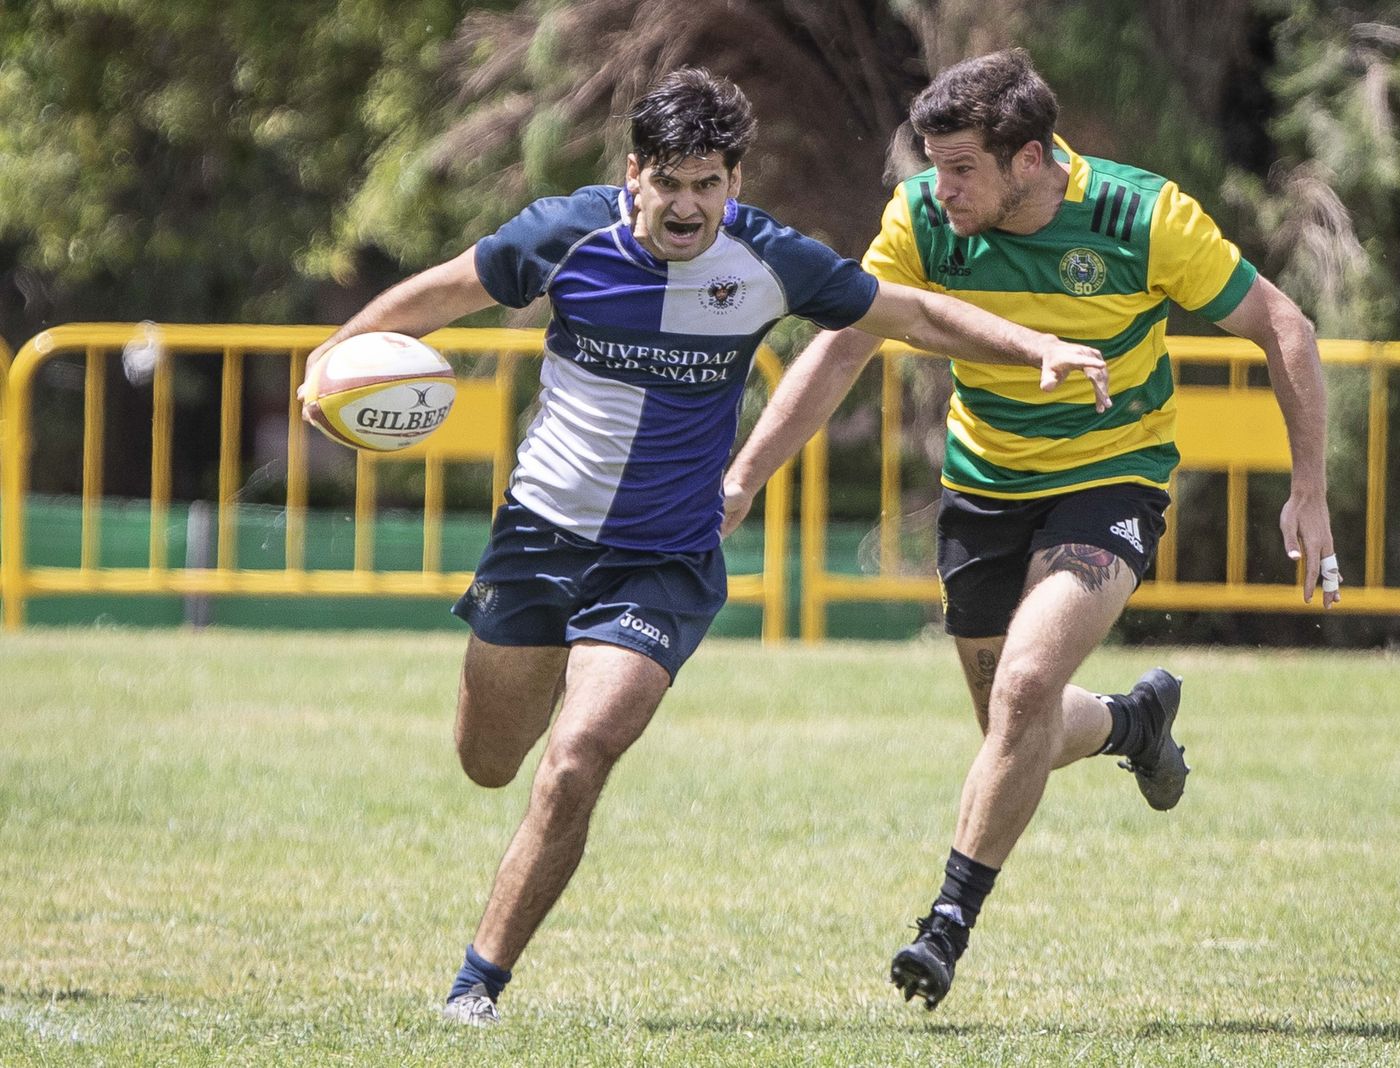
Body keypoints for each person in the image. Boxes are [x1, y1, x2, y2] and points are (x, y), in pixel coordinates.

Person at [299, 67, 1111, 1026]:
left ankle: (477, 983)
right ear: (634, 172)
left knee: (576, 758)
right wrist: (331, 363)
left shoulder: (767, 261)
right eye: (670, 183)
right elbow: (431, 300)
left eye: (710, 185)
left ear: (734, 183)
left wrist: (1034, 347)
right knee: (489, 761)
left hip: (665, 559)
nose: (688, 207)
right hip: (539, 542)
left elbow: (914, 314)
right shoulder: (564, 235)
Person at [720, 48, 1341, 1010]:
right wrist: (745, 477)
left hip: (1111, 477)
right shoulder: (925, 218)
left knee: (1023, 689)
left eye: (961, 166)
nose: (939, 187)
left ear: (1031, 157)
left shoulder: (1144, 217)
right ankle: (1134, 721)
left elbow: (1284, 326)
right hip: (985, 486)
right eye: (933, 164)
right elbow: (844, 348)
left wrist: (1310, 487)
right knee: (1015, 731)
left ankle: (944, 928)